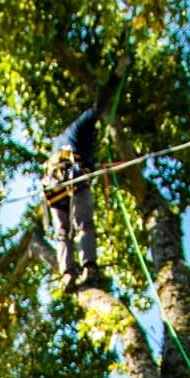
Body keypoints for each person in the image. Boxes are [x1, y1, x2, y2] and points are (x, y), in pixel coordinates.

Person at [41, 55, 129, 293]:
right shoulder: (83, 125)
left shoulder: (63, 142)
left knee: (62, 232)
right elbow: (99, 106)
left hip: (53, 185)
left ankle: (68, 273)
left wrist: (95, 166)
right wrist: (117, 76)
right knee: (84, 224)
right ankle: (89, 267)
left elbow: (87, 163)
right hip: (71, 179)